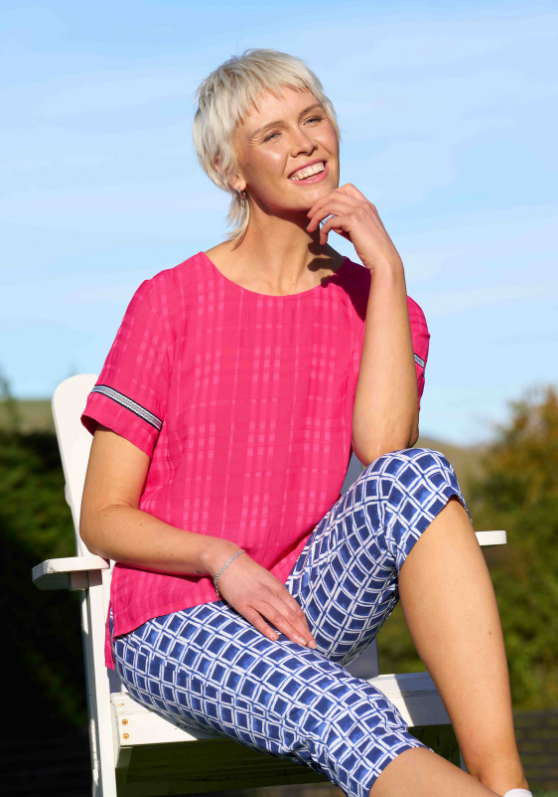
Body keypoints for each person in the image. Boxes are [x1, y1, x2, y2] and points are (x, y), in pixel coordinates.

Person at [80, 49, 530, 797]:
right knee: (345, 712)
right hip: (175, 617)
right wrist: (220, 558)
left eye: (313, 119)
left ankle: (504, 779)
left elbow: (385, 452)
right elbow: (102, 516)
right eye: (273, 134)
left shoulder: (380, 305)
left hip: (302, 604)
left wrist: (387, 270)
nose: (305, 143)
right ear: (229, 170)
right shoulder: (170, 302)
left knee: (418, 473)